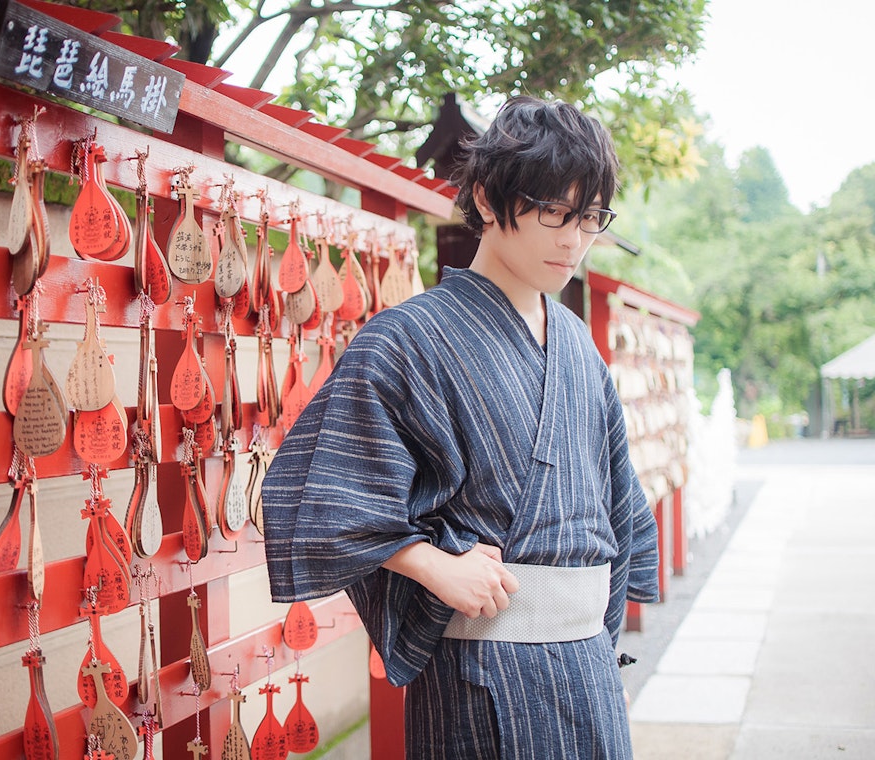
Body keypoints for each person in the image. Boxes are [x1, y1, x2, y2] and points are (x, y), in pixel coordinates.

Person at [261, 96, 660, 759]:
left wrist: (604, 655)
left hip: (589, 673)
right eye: (555, 212)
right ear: (485, 196)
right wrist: (431, 566)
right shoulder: (407, 339)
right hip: (480, 684)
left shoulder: (576, 344)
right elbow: (314, 498)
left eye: (590, 217)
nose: (574, 240)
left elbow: (615, 511)